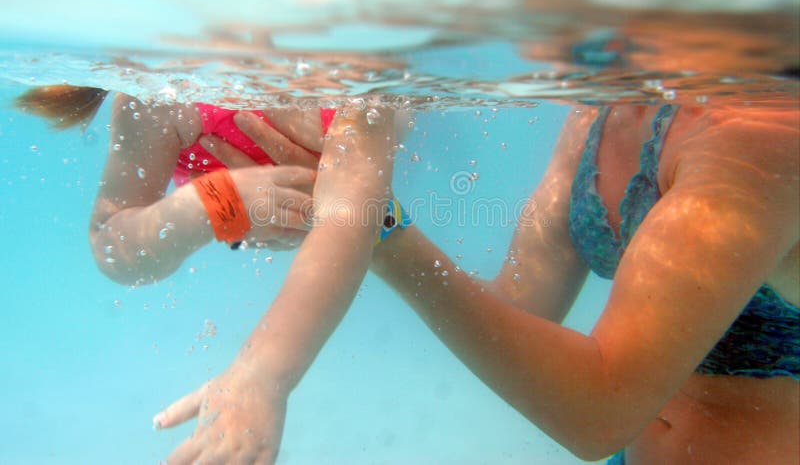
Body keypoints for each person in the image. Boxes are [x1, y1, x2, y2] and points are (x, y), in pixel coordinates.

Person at [207, 103, 799, 464]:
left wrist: (384, 233)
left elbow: (600, 409)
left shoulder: (761, 132)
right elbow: (521, 307)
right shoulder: (601, 115)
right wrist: (361, 216)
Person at [15, 85, 410, 464]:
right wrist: (210, 206)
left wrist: (260, 374)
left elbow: (351, 219)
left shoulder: (353, 77)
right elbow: (109, 242)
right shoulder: (161, 87)